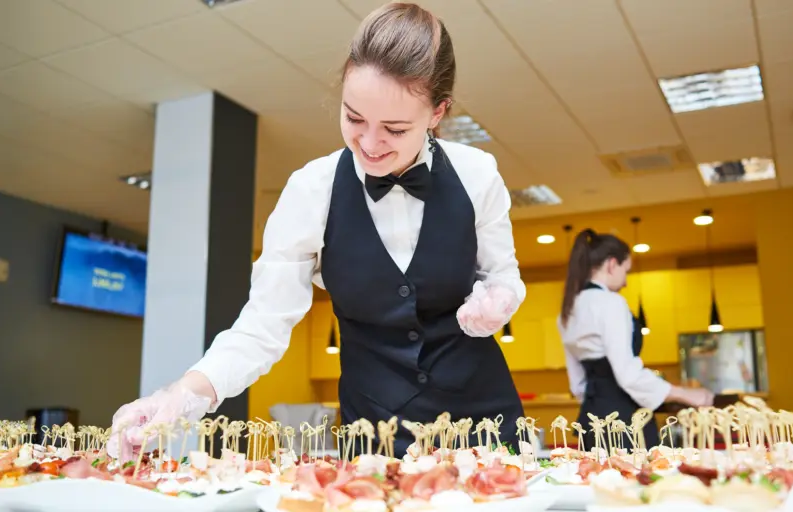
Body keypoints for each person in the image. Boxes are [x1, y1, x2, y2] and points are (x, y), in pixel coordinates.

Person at [108, 2, 528, 459]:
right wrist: (181, 396)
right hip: (376, 434)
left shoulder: (477, 174)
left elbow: (502, 276)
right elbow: (262, 325)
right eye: (353, 118)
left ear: (437, 113)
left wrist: (500, 299)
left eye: (394, 128)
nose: (369, 144)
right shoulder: (311, 191)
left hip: (485, 422)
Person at [558, 229, 714, 452]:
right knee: (641, 484)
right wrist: (685, 394)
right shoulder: (611, 303)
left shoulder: (568, 309)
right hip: (626, 421)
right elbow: (628, 374)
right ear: (612, 264)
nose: (625, 282)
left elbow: (578, 384)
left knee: (596, 483)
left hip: (591, 421)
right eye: (626, 271)